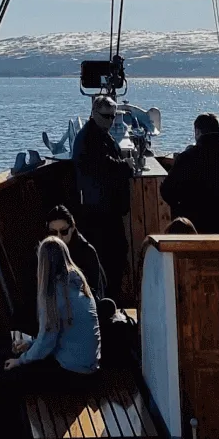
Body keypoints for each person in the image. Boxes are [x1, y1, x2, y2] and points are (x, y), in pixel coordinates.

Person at [3, 237, 101, 383]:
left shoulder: (54, 295)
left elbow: (47, 342)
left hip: (75, 372)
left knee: (12, 374)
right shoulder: (78, 283)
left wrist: (21, 360)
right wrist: (30, 344)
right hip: (91, 365)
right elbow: (54, 335)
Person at [73, 95, 133, 301]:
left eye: (113, 117)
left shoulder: (99, 135)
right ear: (93, 114)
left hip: (106, 211)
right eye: (106, 116)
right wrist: (126, 166)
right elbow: (103, 166)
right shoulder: (90, 138)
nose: (110, 121)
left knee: (115, 259)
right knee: (106, 261)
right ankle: (105, 305)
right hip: (98, 214)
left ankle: (110, 302)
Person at [160, 113, 219, 234]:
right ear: (218, 129)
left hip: (197, 227)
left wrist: (182, 205)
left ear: (197, 132)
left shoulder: (187, 157)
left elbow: (167, 191)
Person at [45, 205, 107, 299]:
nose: (58, 237)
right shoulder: (45, 251)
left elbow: (93, 292)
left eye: (64, 231)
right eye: (53, 232)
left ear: (72, 227)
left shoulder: (87, 252)